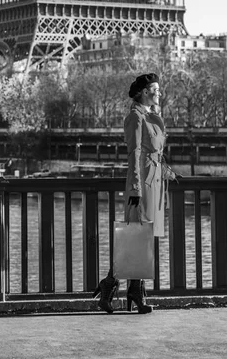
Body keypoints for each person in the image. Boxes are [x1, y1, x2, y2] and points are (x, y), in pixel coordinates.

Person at [93, 72, 177, 314]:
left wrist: (165, 172)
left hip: (155, 180)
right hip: (141, 184)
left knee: (143, 237)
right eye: (155, 89)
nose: (159, 92)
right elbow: (134, 155)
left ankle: (131, 291)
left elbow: (154, 151)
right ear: (143, 92)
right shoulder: (135, 117)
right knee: (135, 236)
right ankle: (114, 287)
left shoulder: (151, 115)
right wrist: (137, 190)